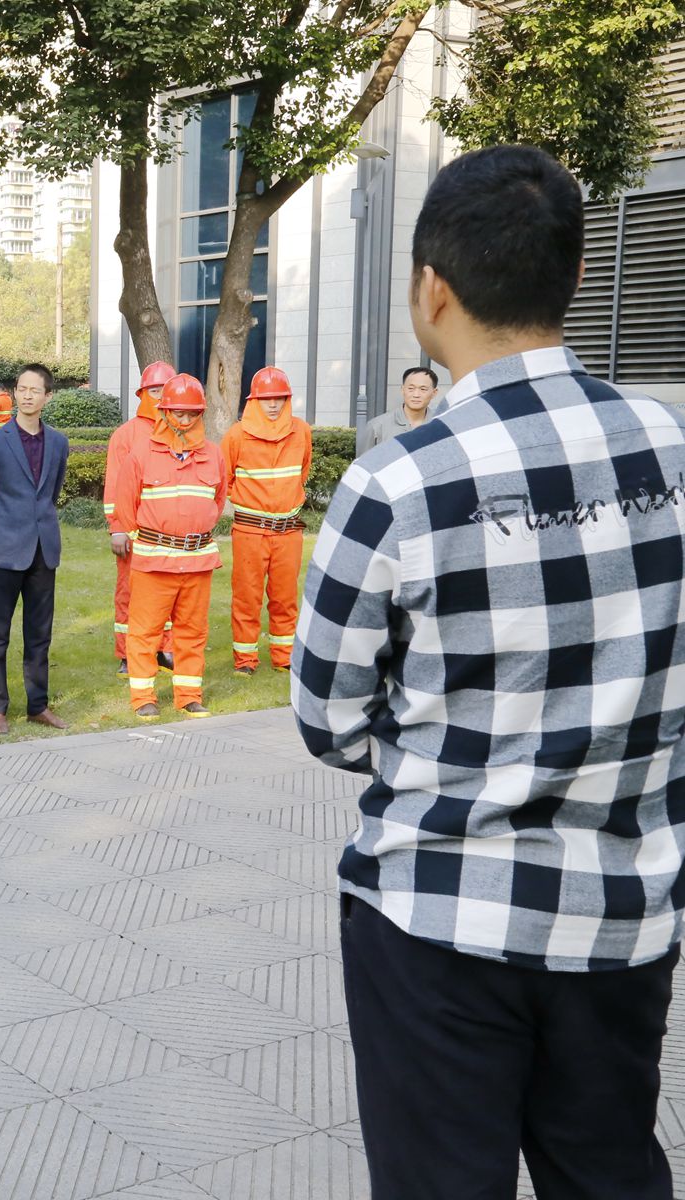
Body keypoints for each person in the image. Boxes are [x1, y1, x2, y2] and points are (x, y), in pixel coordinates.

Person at [294, 144, 685, 1198]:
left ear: (431, 288)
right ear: (578, 275)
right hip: (620, 911)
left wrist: (448, 740)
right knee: (609, 1174)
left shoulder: (396, 484)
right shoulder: (671, 447)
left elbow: (327, 719)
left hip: (439, 914)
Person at [109, 373, 225, 718]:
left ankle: (189, 695)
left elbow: (217, 501)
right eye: (178, 413)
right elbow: (125, 501)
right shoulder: (142, 453)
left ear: (200, 414)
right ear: (164, 412)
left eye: (192, 413)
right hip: (153, 560)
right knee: (145, 631)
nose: (184, 420)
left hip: (197, 561)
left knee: (192, 632)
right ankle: (143, 698)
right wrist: (123, 531)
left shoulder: (214, 455)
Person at [0, 363, 71, 733]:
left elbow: (51, 492)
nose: (27, 396)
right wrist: (4, 529)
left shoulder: (58, 443)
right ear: (15, 393)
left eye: (35, 390)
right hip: (4, 550)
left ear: (48, 396)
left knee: (39, 633)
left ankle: (37, 705)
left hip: (44, 550)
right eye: (22, 389)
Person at [221, 365, 312, 675]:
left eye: (279, 398)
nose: (273, 405)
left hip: (288, 532)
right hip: (250, 531)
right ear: (254, 401)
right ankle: (245, 660)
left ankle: (284, 657)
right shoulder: (236, 435)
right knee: (247, 597)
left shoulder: (301, 431)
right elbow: (224, 478)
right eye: (266, 399)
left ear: (287, 399)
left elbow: (301, 472)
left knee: (285, 597)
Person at [106, 361, 177, 675]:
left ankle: (165, 649)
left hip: (170, 533)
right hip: (134, 534)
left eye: (164, 390)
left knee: (170, 594)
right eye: (154, 390)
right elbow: (115, 485)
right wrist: (117, 528)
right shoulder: (126, 435)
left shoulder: (181, 431)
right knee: (129, 593)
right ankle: (127, 654)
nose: (159, 396)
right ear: (143, 393)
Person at [355, 365, 440, 454]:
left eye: (423, 389)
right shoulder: (377, 427)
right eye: (411, 388)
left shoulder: (441, 426)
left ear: (434, 393)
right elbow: (364, 461)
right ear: (402, 390)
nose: (416, 395)